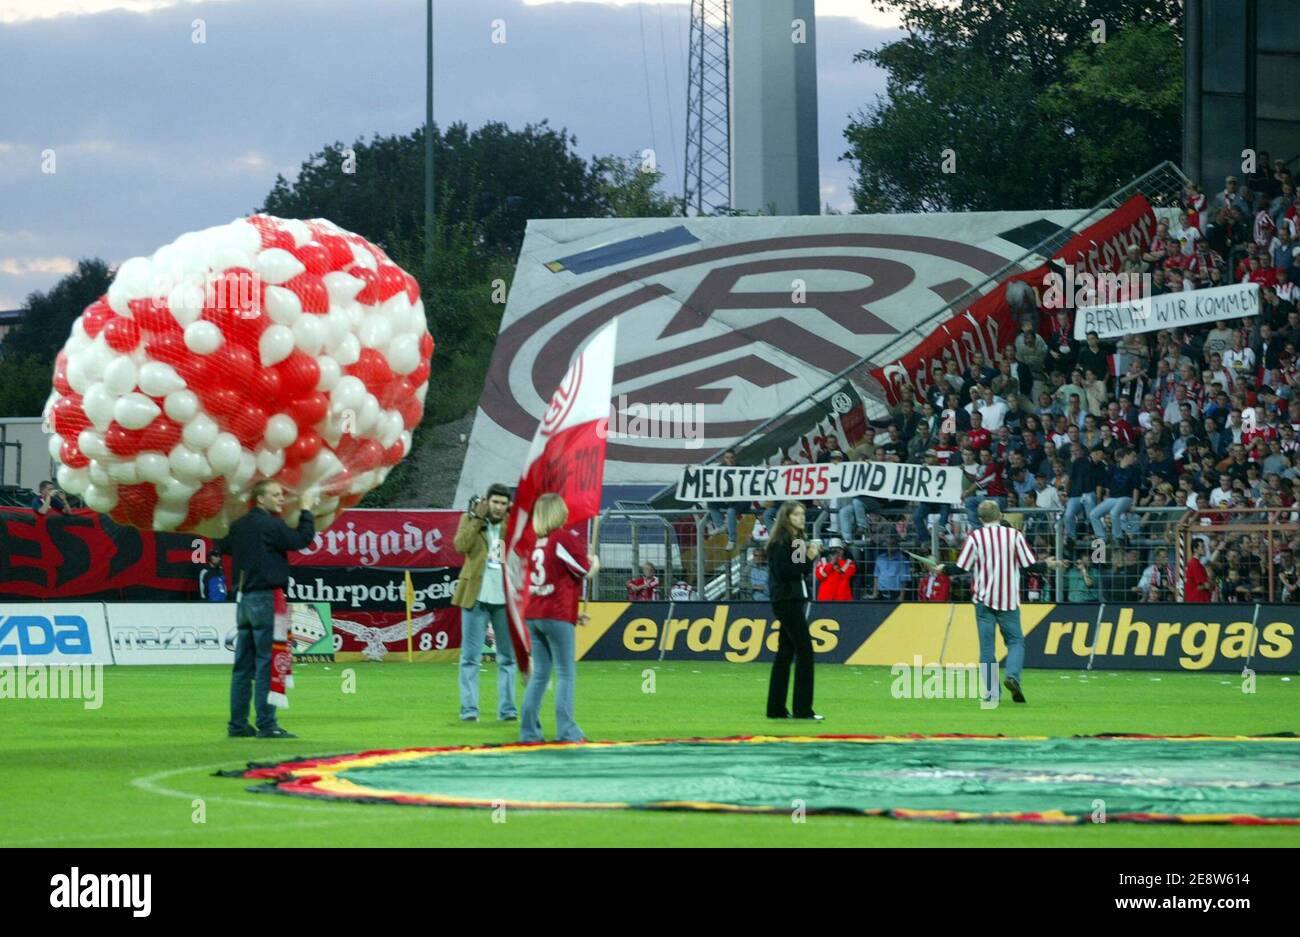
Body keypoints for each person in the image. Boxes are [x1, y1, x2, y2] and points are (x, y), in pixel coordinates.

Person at [921, 500, 1062, 704]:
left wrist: (943, 569)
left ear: (980, 519)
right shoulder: (1014, 535)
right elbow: (1029, 565)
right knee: (1015, 642)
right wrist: (1047, 564)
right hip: (1008, 600)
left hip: (984, 600)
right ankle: (1012, 676)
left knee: (987, 649)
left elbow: (962, 568)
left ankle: (991, 692)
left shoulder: (975, 537)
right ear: (1000, 515)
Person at [217, 480, 315, 739]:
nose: (281, 498)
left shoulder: (239, 526)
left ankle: (237, 725)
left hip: (244, 598)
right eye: (276, 494)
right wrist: (306, 510)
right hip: (267, 598)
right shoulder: (271, 525)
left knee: (242, 667)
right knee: (266, 663)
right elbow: (301, 540)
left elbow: (223, 546)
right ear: (260, 499)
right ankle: (267, 724)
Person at [519, 493, 599, 743]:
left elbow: (553, 578)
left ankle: (529, 731)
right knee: (565, 673)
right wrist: (595, 564)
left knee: (541, 674)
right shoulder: (562, 538)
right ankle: (567, 730)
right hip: (555, 613)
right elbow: (582, 570)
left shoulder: (537, 543)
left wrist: (575, 614)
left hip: (535, 613)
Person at [451, 483, 518, 723]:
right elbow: (460, 546)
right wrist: (476, 519)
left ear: (507, 505)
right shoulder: (470, 520)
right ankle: (469, 710)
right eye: (495, 502)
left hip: (503, 598)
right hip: (475, 596)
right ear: (487, 501)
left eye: (503, 503)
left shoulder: (511, 526)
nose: (498, 507)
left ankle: (508, 710)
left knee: (507, 658)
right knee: (470, 658)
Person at [765, 501, 823, 721]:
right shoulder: (782, 541)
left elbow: (800, 571)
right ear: (786, 517)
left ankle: (776, 708)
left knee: (785, 654)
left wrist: (810, 555)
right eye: (797, 514)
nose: (801, 518)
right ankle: (802, 709)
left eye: (802, 514)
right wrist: (809, 556)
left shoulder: (797, 539)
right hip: (786, 599)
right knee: (805, 652)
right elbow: (786, 572)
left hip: (794, 597)